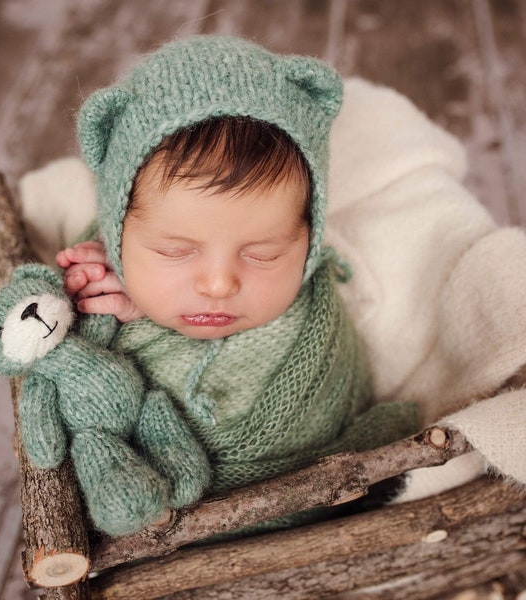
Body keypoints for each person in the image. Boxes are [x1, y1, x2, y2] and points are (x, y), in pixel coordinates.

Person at [56, 35, 416, 526]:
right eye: (174, 252)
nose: (220, 283)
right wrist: (118, 314)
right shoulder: (98, 281)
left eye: (264, 254)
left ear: (308, 240)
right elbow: (80, 389)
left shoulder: (314, 334)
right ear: (116, 236)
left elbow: (334, 410)